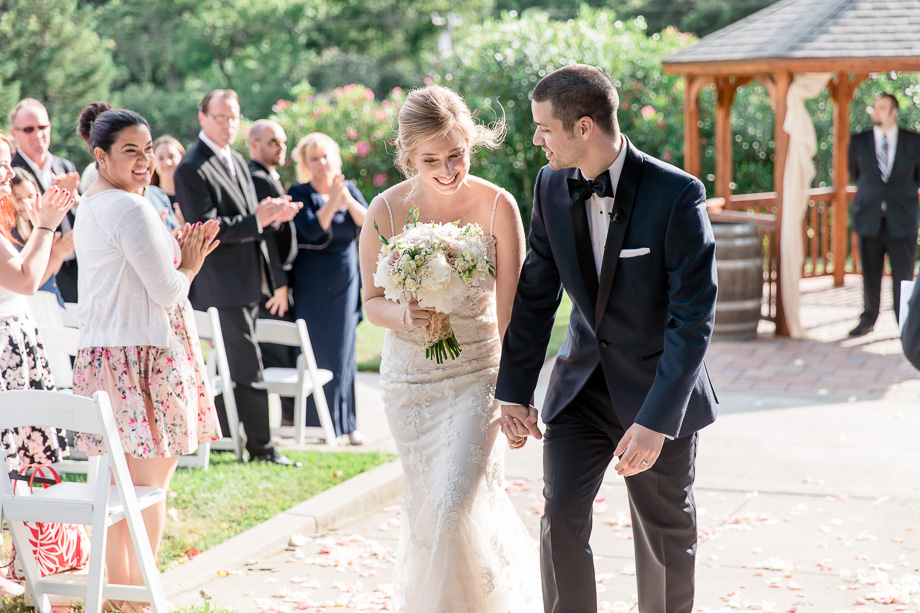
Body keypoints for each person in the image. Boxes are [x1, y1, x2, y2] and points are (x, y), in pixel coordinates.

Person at [496, 64, 718, 613]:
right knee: (561, 518)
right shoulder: (550, 185)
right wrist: (514, 391)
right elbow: (535, 295)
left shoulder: (676, 194)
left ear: (585, 127)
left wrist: (656, 422)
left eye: (544, 128)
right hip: (581, 389)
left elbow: (692, 321)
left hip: (655, 392)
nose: (537, 139)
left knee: (665, 532)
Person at [358, 85, 540, 611]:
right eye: (430, 159)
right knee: (428, 511)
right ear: (407, 155)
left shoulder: (497, 206)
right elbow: (372, 303)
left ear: (471, 144)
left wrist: (516, 396)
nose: (446, 169)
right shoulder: (386, 211)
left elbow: (511, 315)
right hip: (410, 383)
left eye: (456, 155)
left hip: (476, 377)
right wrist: (405, 312)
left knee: (452, 507)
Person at [71, 103, 222, 605]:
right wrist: (193, 262)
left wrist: (175, 255)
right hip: (146, 358)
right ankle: (142, 593)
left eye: (148, 150)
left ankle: (120, 591)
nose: (143, 161)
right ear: (101, 155)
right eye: (129, 151)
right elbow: (166, 291)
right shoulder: (131, 206)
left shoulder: (90, 203)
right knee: (151, 484)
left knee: (118, 486)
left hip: (103, 357)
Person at [174, 89, 302, 466]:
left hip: (249, 280)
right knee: (248, 368)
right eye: (220, 117)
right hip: (221, 284)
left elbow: (251, 221)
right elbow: (206, 228)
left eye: (233, 117)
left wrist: (271, 216)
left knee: (244, 366)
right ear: (202, 118)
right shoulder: (191, 167)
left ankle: (241, 441)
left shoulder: (235, 161)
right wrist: (258, 219)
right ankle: (261, 449)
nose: (228, 124)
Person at [0, 130, 73, 598]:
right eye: (0, 164)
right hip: (5, 352)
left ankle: (35, 562)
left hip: (16, 347)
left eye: (8, 163)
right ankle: (37, 562)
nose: (8, 172)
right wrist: (47, 225)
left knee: (26, 460)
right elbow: (26, 279)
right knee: (16, 461)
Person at [291, 133, 366, 445]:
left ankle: (347, 423)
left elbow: (369, 223)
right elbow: (310, 229)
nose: (321, 164)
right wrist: (333, 200)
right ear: (305, 164)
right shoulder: (300, 192)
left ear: (335, 158)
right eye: (314, 158)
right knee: (316, 350)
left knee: (344, 351)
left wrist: (345, 198)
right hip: (312, 281)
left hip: (346, 277)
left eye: (326, 157)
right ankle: (319, 426)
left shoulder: (348, 189)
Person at [847, 92, 920, 337]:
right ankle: (868, 319)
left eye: (881, 107)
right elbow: (855, 174)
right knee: (869, 274)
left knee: (903, 275)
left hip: (903, 221)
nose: (875, 112)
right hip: (868, 219)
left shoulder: (914, 142)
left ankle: (905, 325)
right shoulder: (859, 141)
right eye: (874, 107)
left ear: (893, 112)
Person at [247, 120, 297, 425]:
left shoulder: (269, 177)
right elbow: (264, 238)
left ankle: (290, 419)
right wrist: (279, 284)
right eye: (272, 142)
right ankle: (285, 421)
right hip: (269, 287)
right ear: (253, 145)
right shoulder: (257, 178)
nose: (280, 148)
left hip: (278, 281)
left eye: (282, 142)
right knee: (277, 351)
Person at [8, 98, 81, 302]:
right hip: (38, 269)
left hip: (76, 266)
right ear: (14, 133)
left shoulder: (65, 166)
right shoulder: (11, 173)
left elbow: (83, 213)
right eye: (29, 129)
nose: (38, 135)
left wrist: (74, 199)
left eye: (42, 127)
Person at [9, 168, 74, 385]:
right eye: (18, 198)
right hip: (31, 307)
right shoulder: (11, 232)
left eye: (30, 195)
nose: (26, 203)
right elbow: (28, 280)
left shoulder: (31, 226)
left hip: (46, 303)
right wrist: (56, 256)